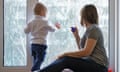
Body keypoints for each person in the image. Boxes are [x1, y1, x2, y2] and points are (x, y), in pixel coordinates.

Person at [39, 4, 108, 72]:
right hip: (92, 63)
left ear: (84, 16)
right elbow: (82, 50)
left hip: (99, 66)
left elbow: (86, 52)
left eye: (81, 15)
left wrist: (65, 54)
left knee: (66, 60)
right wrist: (76, 36)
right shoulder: (90, 30)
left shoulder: (94, 29)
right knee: (65, 60)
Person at [24, 2, 60, 72]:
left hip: (33, 45)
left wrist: (27, 27)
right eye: (45, 12)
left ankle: (36, 70)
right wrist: (56, 27)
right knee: (40, 59)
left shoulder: (31, 22)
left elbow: (26, 31)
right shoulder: (45, 22)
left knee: (35, 60)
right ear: (42, 12)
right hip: (41, 44)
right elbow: (52, 29)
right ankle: (34, 70)